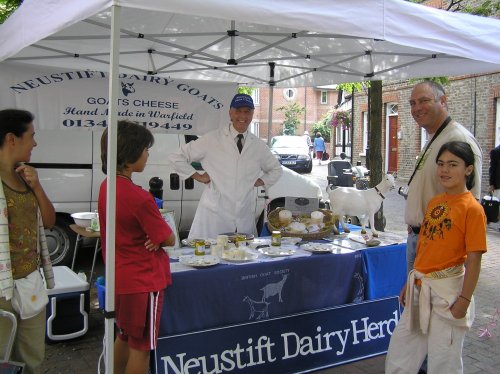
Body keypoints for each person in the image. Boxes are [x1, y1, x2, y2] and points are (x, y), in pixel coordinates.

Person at [386, 141, 487, 373]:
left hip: (447, 295)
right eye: (441, 164)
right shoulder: (435, 202)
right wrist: (410, 282)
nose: (445, 170)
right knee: (400, 355)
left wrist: (464, 301)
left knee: (444, 363)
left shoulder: (472, 209)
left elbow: (474, 259)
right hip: (420, 289)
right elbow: (425, 245)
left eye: (453, 164)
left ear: (468, 169)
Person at [98, 120, 175, 374]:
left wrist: (156, 235)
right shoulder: (140, 198)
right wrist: (159, 236)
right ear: (130, 156)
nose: (148, 154)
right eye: (145, 149)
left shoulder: (106, 186)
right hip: (144, 282)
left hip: (120, 278)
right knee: (141, 350)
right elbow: (169, 238)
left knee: (124, 336)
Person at [167, 93, 283, 239]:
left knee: (241, 255)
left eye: (247, 112)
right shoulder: (212, 139)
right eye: (238, 111)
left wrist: (261, 181)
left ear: (252, 114)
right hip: (214, 214)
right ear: (230, 113)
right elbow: (176, 157)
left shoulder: (258, 146)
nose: (242, 115)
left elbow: (276, 170)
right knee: (210, 255)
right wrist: (198, 176)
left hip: (243, 215)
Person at [404, 81, 482, 275]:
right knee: (416, 303)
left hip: (441, 247)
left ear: (443, 101)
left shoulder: (458, 138)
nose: (417, 108)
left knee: (440, 304)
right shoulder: (434, 138)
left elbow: (470, 201)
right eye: (412, 103)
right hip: (419, 239)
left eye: (424, 101)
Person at [0, 109, 56, 374]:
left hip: (31, 281)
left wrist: (37, 187)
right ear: (12, 139)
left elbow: (49, 221)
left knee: (33, 358)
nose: (34, 143)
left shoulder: (26, 176)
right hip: (2, 289)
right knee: (2, 358)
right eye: (31, 136)